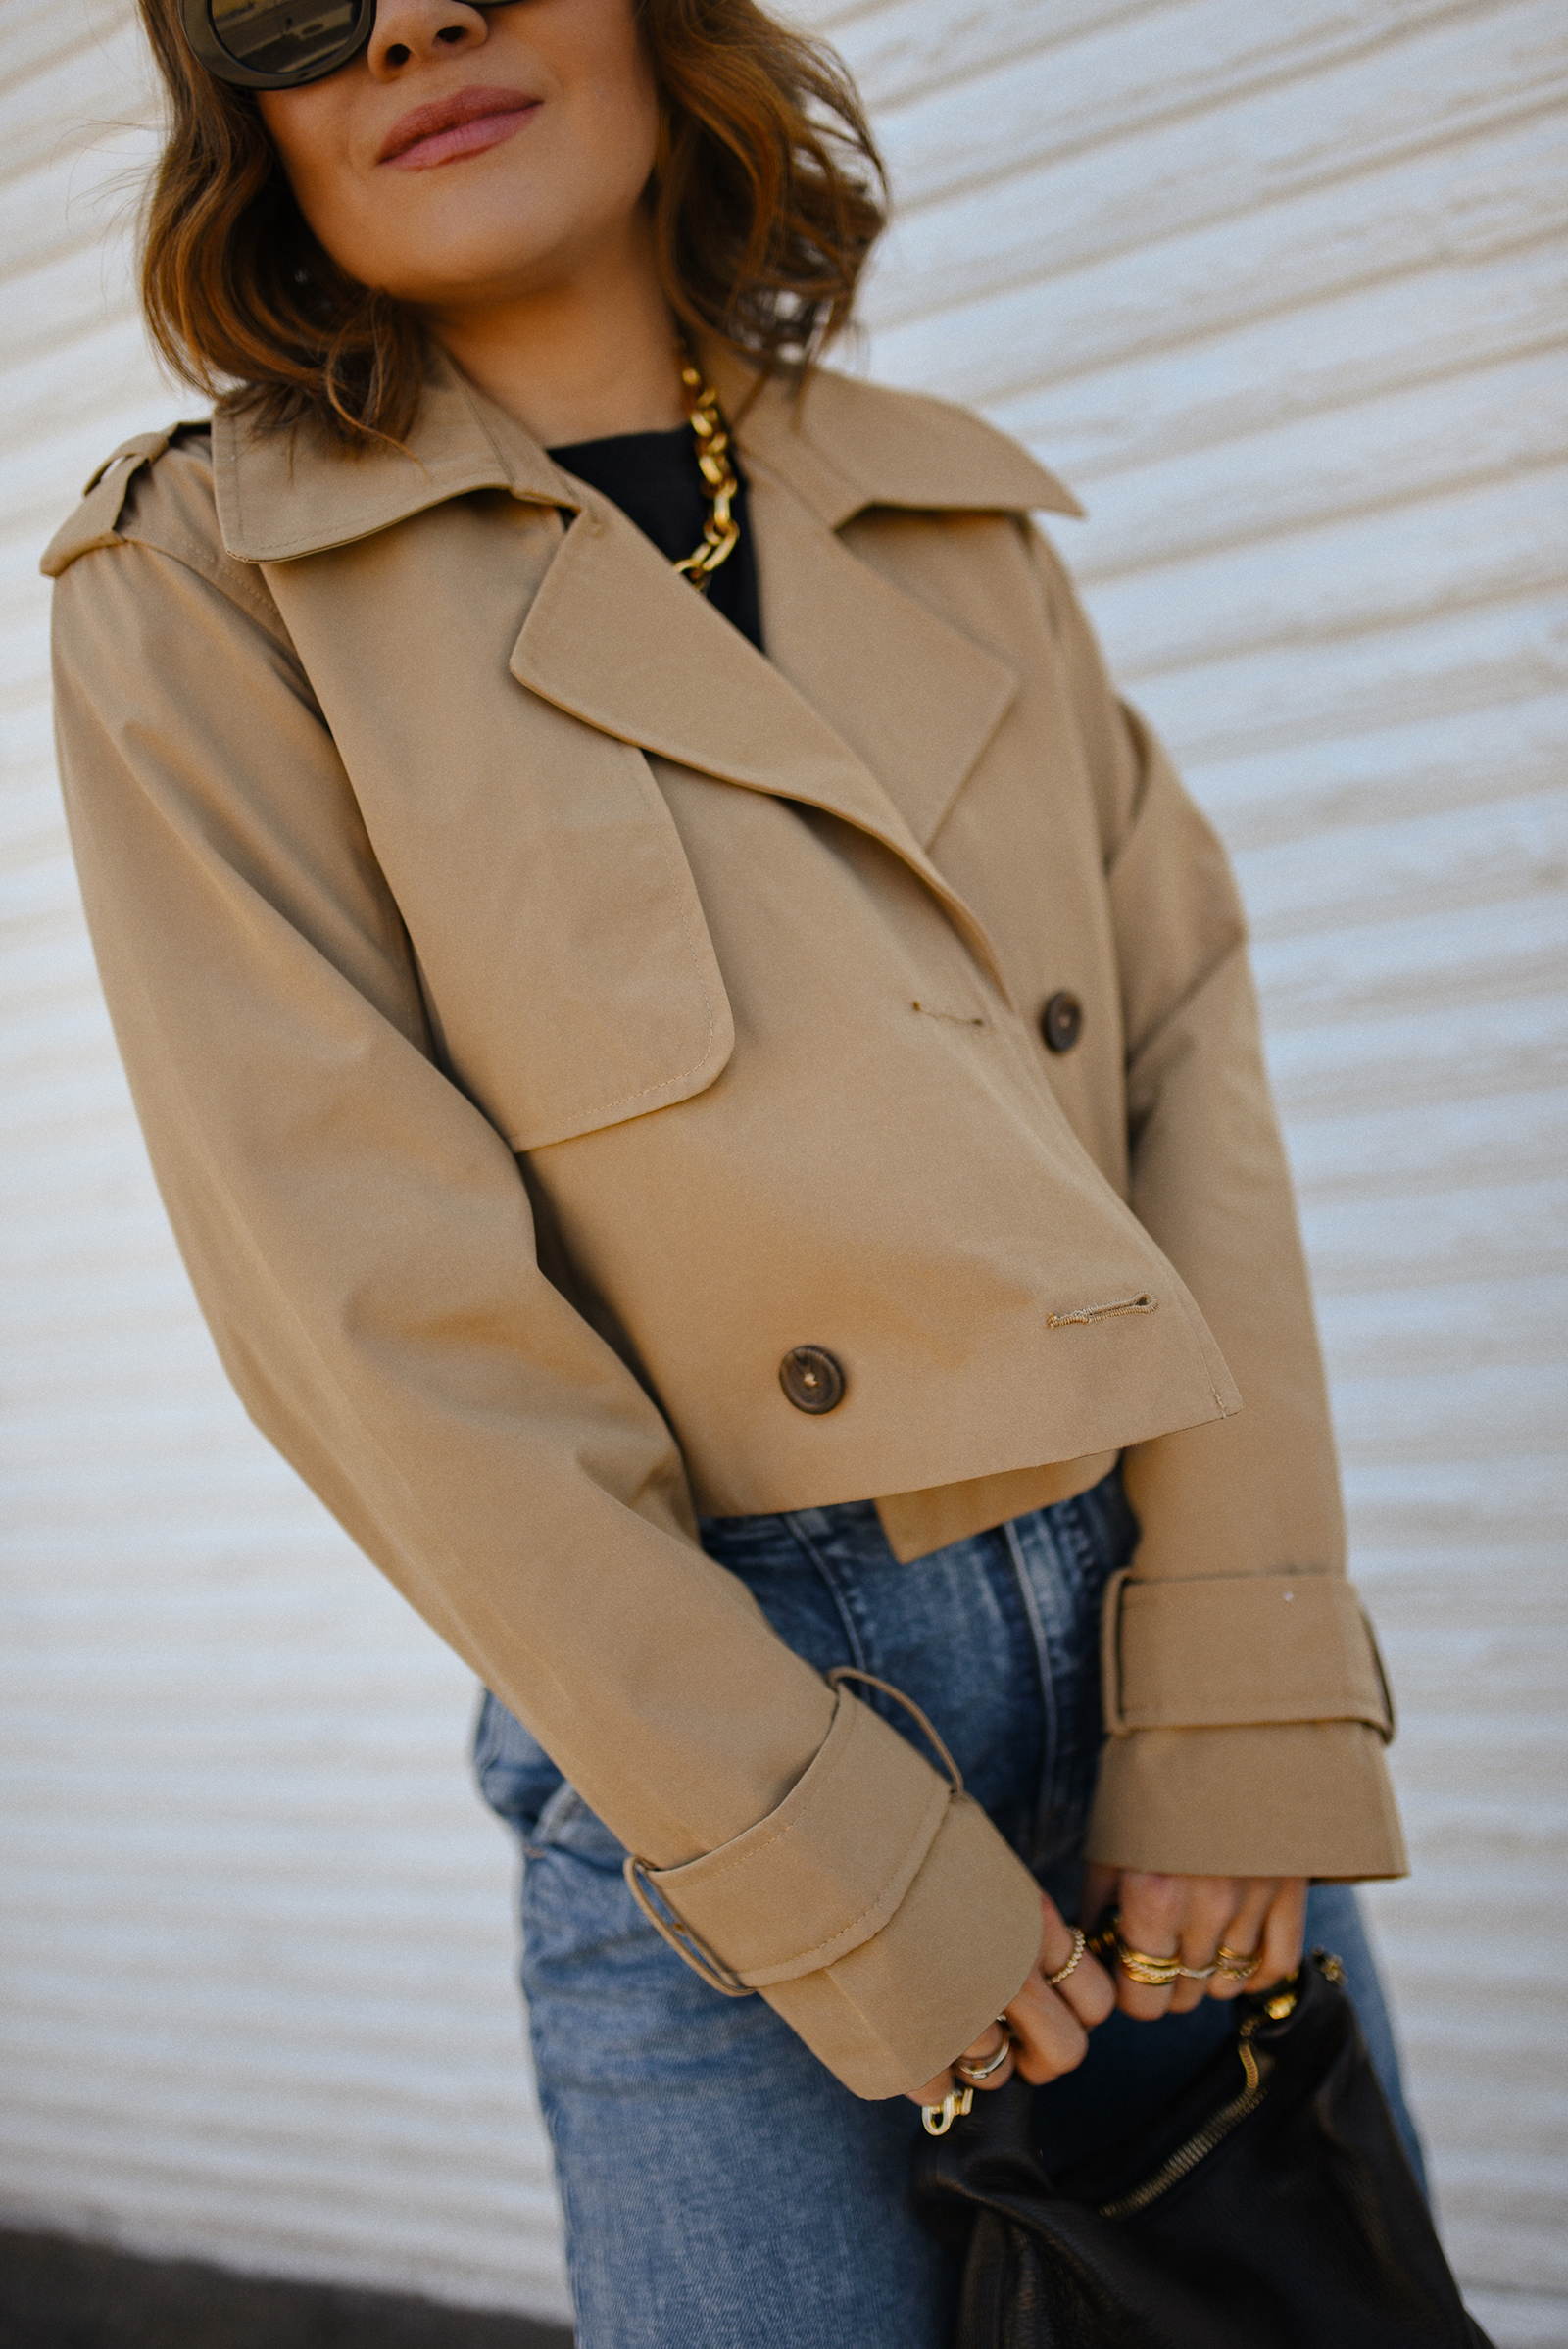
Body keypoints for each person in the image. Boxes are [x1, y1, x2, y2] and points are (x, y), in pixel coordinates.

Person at [44, 0, 1423, 2341]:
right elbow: (370, 1306)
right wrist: (817, 1851)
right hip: (717, 1737)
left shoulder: (952, 516)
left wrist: (1242, 1690)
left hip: (1158, 1654)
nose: (410, 17)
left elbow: (1191, 1091)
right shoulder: (211, 588)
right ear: (240, 110)